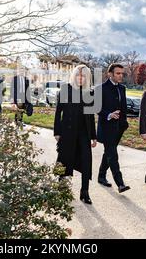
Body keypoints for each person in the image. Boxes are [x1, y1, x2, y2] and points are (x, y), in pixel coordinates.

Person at [54, 65, 97, 204]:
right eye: (78, 75)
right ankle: (60, 187)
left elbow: (91, 117)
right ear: (74, 76)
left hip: (84, 133)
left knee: (86, 161)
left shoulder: (89, 93)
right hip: (67, 131)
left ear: (87, 78)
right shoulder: (66, 89)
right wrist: (57, 132)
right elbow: (58, 112)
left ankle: (85, 192)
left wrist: (93, 136)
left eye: (83, 76)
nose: (80, 78)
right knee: (64, 159)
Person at [96, 63, 131, 193]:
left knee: (109, 153)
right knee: (112, 154)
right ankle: (120, 183)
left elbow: (124, 107)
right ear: (109, 74)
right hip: (106, 127)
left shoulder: (122, 88)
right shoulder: (101, 88)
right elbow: (96, 108)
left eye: (122, 73)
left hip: (119, 127)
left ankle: (101, 175)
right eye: (118, 73)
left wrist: (124, 122)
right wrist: (109, 115)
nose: (120, 75)